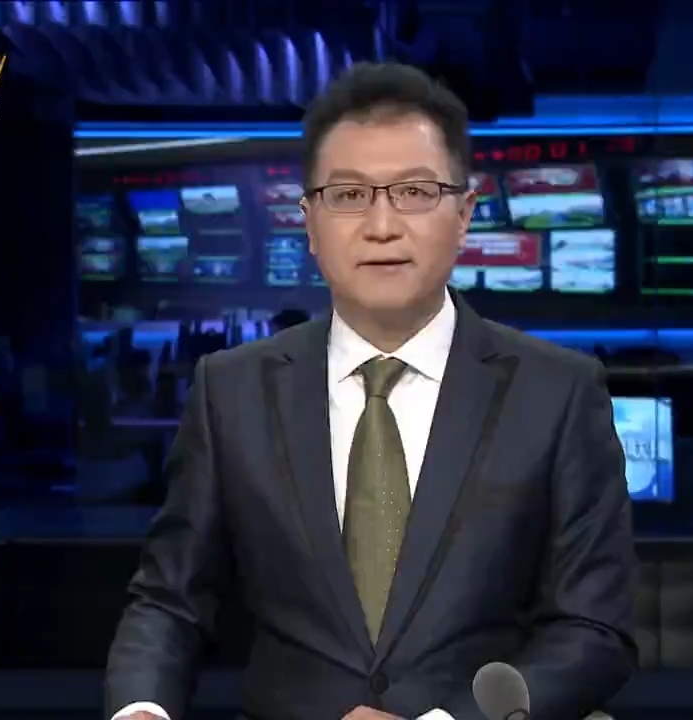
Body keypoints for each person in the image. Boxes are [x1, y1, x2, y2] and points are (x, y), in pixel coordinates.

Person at [105, 62, 637, 720]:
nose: (382, 225)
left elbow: (593, 630)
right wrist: (142, 709)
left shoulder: (558, 393)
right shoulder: (229, 390)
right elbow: (169, 603)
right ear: (309, 221)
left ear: (464, 215)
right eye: (349, 194)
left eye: (414, 191)